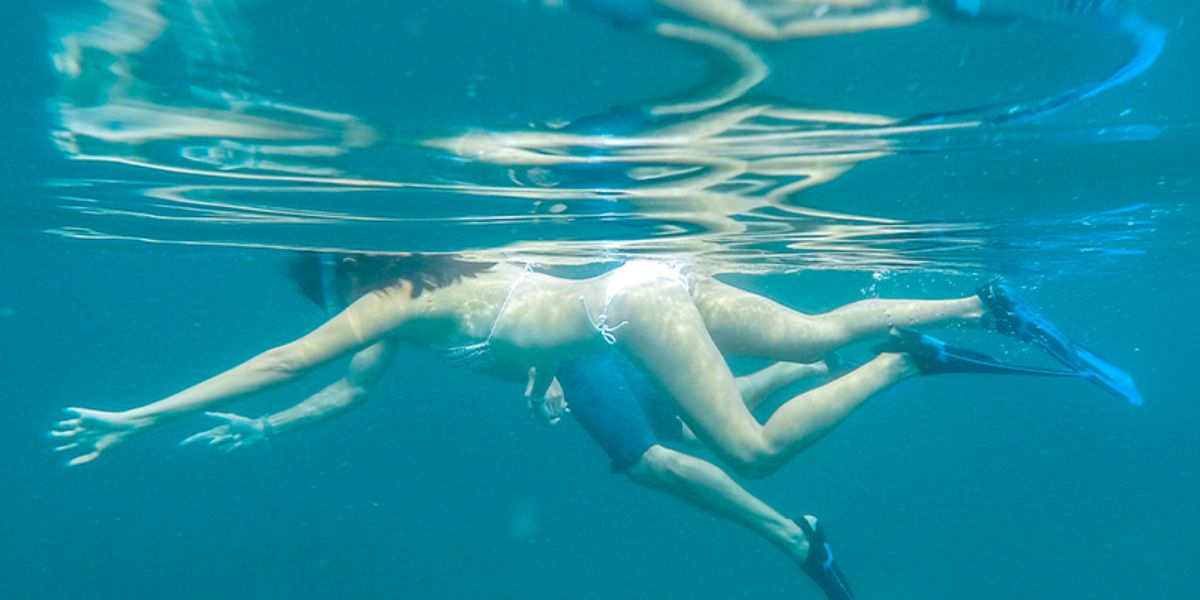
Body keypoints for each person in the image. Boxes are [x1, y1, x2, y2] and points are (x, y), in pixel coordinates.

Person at [51, 253, 1139, 597]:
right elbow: (333, 391)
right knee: (810, 335)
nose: (337, 307)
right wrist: (271, 435)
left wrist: (143, 416)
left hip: (632, 308)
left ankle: (909, 363)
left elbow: (291, 360)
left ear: (351, 275)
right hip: (642, 286)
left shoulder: (391, 302)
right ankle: (971, 304)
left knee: (753, 447)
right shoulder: (422, 296)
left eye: (335, 285)